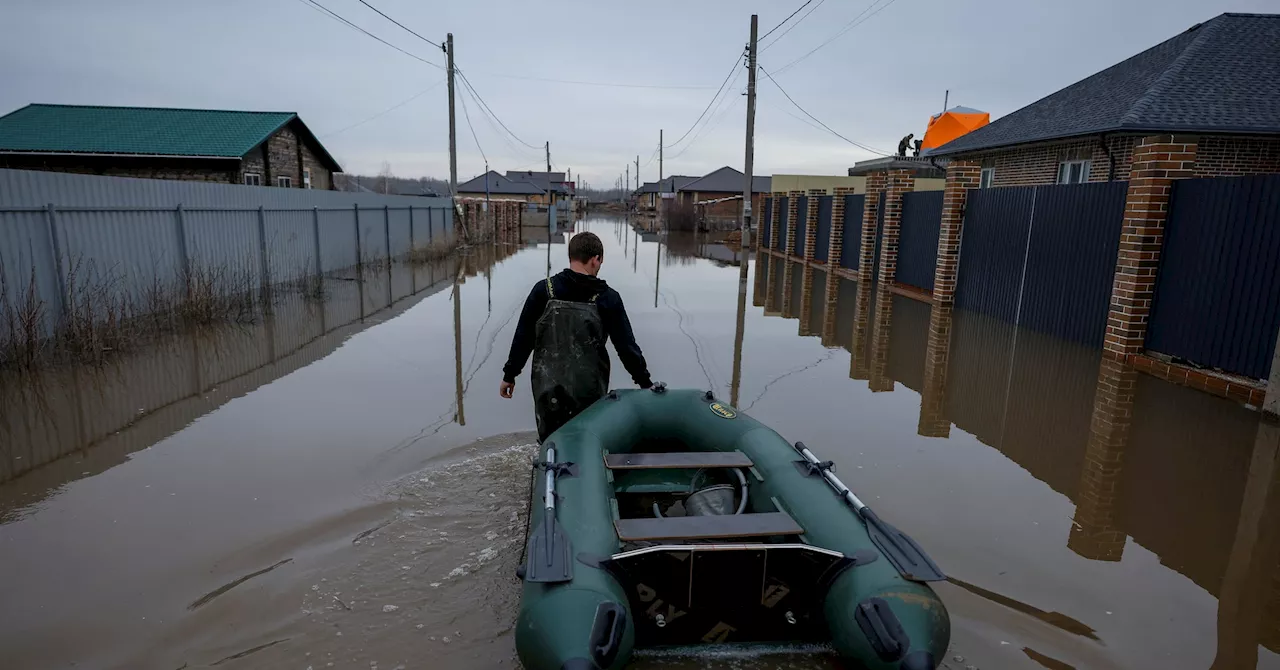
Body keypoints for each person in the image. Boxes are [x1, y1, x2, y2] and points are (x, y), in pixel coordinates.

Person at [500, 231, 652, 441]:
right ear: (595, 260)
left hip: (547, 389)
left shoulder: (543, 290)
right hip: (589, 391)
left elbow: (524, 337)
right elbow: (626, 347)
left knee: (550, 442)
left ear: (571, 257)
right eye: (599, 262)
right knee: (584, 441)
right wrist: (645, 382)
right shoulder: (608, 298)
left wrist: (510, 375)